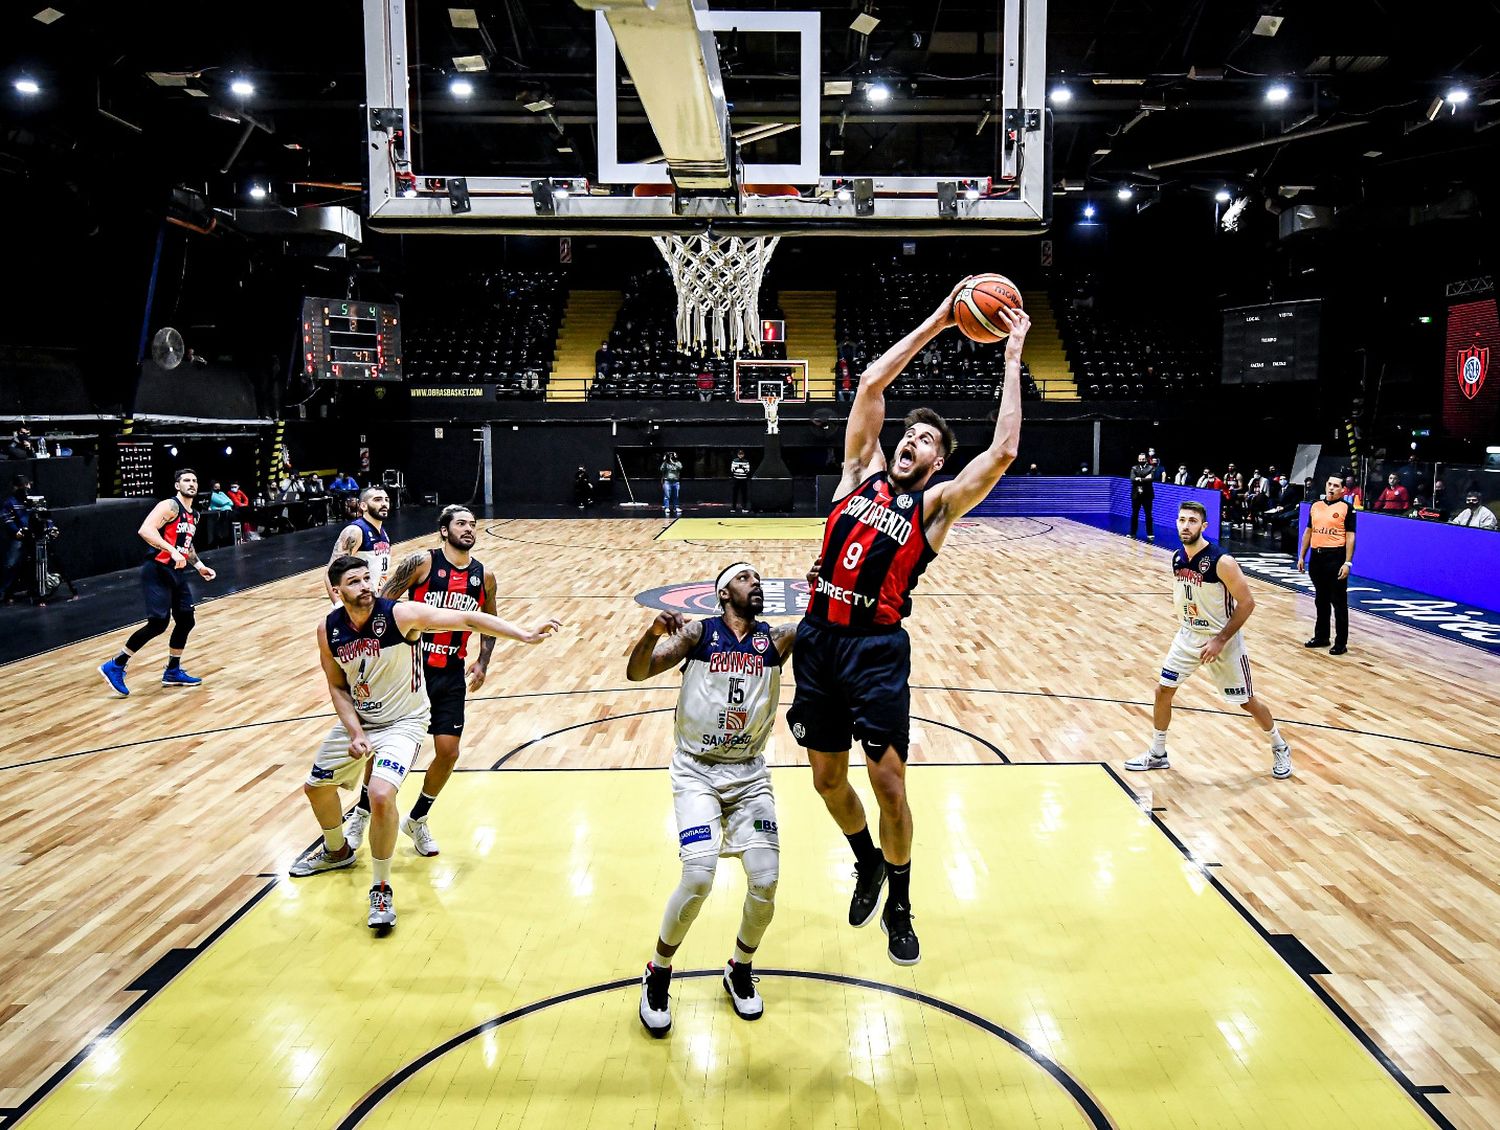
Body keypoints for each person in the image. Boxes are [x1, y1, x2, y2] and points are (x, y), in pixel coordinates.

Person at [789, 277, 1030, 966]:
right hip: (818, 640)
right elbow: (870, 384)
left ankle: (900, 897)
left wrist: (1011, 357)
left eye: (927, 441)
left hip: (875, 650)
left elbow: (1004, 452)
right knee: (827, 782)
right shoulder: (855, 475)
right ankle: (865, 860)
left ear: (937, 462)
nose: (912, 441)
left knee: (888, 782)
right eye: (910, 433)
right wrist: (941, 320)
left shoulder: (936, 509)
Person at [288, 554, 561, 930]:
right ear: (336, 591)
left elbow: (467, 618)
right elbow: (336, 685)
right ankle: (337, 851)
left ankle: (381, 887)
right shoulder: (328, 630)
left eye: (367, 578)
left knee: (382, 794)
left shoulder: (399, 615)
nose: (365, 586)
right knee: (316, 789)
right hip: (362, 722)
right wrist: (354, 731)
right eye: (354, 581)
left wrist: (523, 633)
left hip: (403, 721)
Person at [626, 563, 796, 1035]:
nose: (756, 583)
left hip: (749, 774)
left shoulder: (776, 639)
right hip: (697, 771)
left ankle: (739, 968)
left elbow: (825, 621)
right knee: (698, 877)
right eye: (745, 578)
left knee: (766, 879)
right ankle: (658, 973)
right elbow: (637, 672)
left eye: (758, 579)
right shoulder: (699, 634)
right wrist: (653, 631)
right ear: (723, 593)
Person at [364, 505, 531, 857]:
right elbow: (384, 605)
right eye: (461, 524)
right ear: (444, 530)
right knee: (382, 747)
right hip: (411, 668)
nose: (468, 529)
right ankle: (361, 813)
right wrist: (377, 653)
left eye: (472, 524)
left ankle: (418, 819)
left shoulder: (484, 577)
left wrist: (483, 663)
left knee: (448, 751)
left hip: (451, 672)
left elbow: (489, 622)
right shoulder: (422, 563)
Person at [1125, 501, 1293, 779]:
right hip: (1188, 636)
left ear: (1203, 526)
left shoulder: (1221, 561)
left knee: (1246, 701)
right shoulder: (1177, 557)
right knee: (1162, 691)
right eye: (1181, 520)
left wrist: (1220, 640)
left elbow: (1247, 603)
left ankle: (1280, 746)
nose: (1185, 525)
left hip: (1222, 641)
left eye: (1192, 521)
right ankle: (1157, 753)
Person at [97, 469, 217, 695]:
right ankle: (116, 664)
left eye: (194, 480)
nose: (191, 484)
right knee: (158, 623)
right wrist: (172, 551)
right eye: (186, 480)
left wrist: (199, 566)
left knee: (186, 620)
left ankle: (172, 671)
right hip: (157, 569)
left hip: (176, 571)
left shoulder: (195, 514)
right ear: (176, 485)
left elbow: (186, 545)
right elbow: (146, 530)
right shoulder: (169, 506)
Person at [1298, 474, 1357, 655]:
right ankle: (1322, 636)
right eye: (1329, 484)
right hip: (1317, 557)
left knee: (1338, 602)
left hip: (1335, 557)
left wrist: (1347, 562)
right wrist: (1301, 556)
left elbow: (1350, 536)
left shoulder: (1347, 508)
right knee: (1320, 600)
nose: (1331, 488)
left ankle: (1341, 642)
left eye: (1336, 485)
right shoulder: (1316, 505)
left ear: (1342, 490)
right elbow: (1309, 531)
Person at [326, 487, 393, 601]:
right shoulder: (355, 531)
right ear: (363, 506)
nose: (384, 503)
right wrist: (338, 605)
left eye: (386, 500)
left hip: (371, 600)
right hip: (354, 603)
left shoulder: (383, 532)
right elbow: (331, 571)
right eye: (377, 500)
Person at [1129, 452, 1155, 542]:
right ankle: (1132, 533)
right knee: (1134, 515)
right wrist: (1144, 478)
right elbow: (1132, 479)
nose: (1141, 461)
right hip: (1136, 495)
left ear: (1146, 460)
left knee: (1148, 515)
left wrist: (1139, 478)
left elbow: (1151, 479)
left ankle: (1150, 534)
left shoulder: (1151, 468)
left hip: (1147, 496)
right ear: (1138, 459)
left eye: (1143, 459)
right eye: (1140, 459)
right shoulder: (1134, 468)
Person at [660, 451, 683, 518]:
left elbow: (680, 468)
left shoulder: (678, 463)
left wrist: (672, 462)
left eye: (673, 455)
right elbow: (661, 469)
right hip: (667, 481)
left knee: (676, 495)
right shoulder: (666, 463)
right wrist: (665, 461)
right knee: (667, 495)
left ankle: (676, 507)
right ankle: (667, 507)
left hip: (676, 481)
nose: (672, 457)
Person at [730, 449, 752, 513]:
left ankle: (744, 508)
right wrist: (739, 467)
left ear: (743, 455)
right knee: (735, 494)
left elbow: (747, 470)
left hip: (743, 479)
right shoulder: (734, 461)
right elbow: (732, 470)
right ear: (737, 455)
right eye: (739, 454)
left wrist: (741, 467)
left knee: (744, 494)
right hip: (736, 479)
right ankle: (733, 508)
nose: (740, 455)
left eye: (742, 454)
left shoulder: (746, 461)